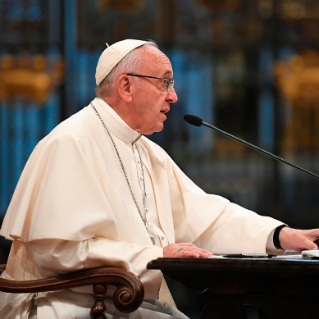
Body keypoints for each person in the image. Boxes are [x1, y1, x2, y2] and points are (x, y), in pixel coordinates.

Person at [0, 39, 319, 319]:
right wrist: (155, 257)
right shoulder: (70, 142)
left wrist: (278, 236)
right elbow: (59, 250)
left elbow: (207, 217)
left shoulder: (146, 151)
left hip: (127, 303)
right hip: (74, 305)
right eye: (164, 83)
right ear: (126, 87)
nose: (175, 96)